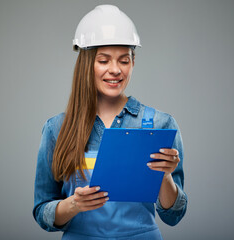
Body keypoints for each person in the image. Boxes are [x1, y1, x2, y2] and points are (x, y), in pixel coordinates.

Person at [33, 5, 187, 240]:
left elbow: (173, 216)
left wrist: (165, 176)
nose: (115, 70)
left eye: (124, 61)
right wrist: (73, 204)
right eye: (104, 61)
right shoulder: (57, 129)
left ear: (133, 63)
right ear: (86, 64)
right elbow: (42, 211)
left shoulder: (161, 124)